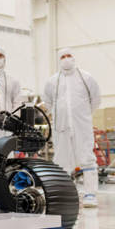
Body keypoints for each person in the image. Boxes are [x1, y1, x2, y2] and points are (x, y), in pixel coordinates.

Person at [43, 48, 102, 208]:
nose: (66, 59)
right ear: (59, 60)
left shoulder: (86, 77)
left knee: (86, 157)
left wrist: (83, 115)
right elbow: (48, 102)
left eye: (69, 56)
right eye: (63, 56)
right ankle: (66, 194)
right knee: (62, 160)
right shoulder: (52, 81)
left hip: (81, 125)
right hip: (61, 127)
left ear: (74, 58)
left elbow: (95, 99)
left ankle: (90, 193)